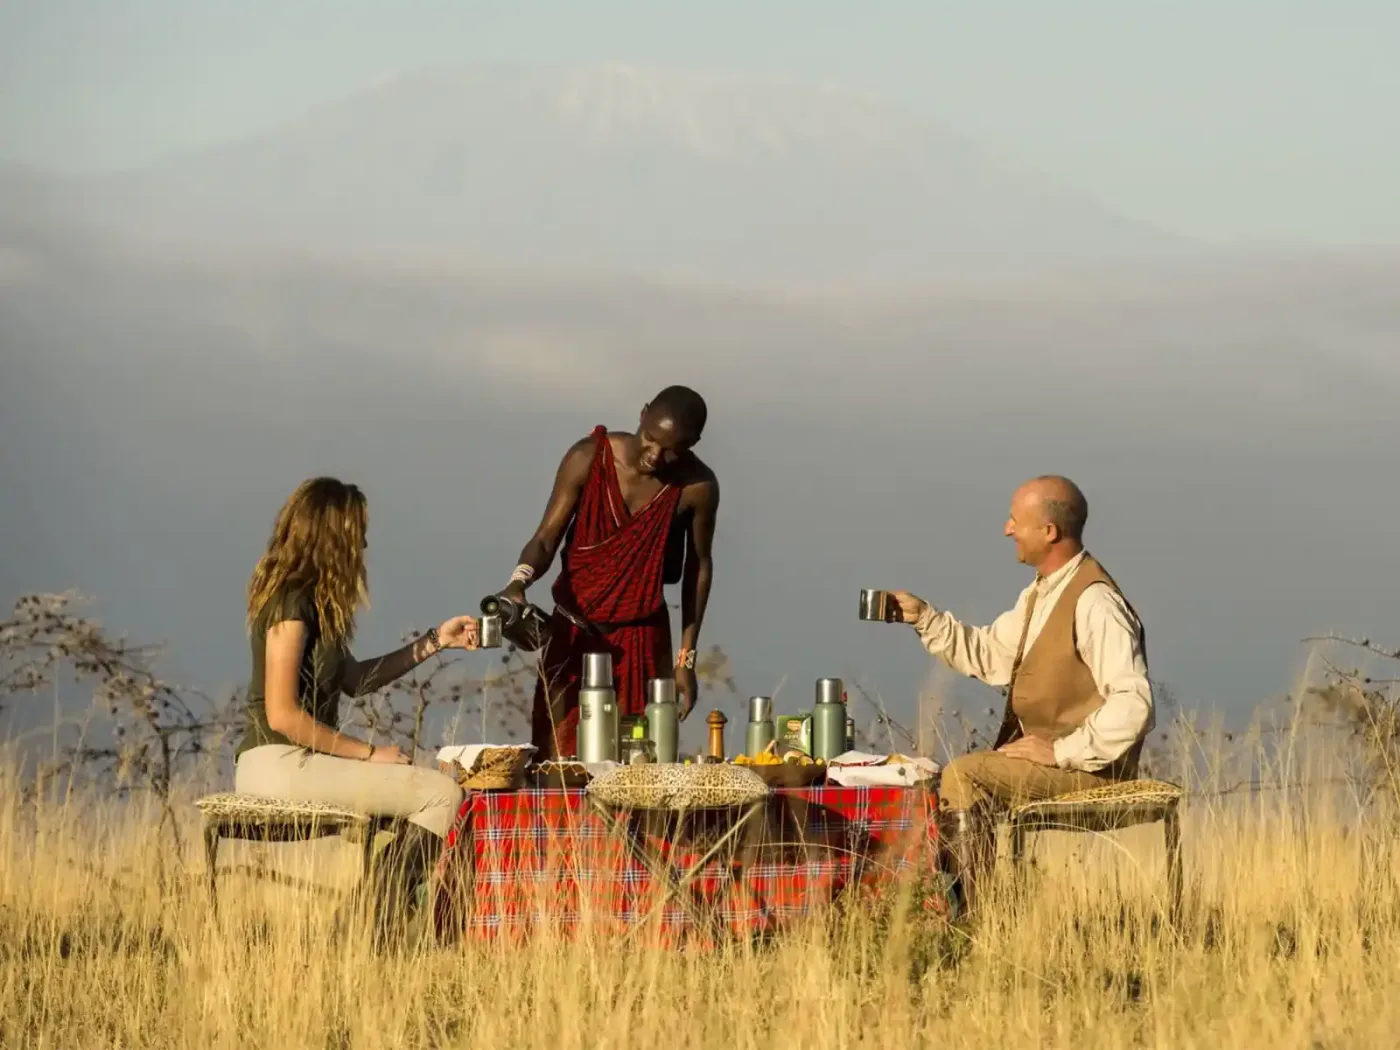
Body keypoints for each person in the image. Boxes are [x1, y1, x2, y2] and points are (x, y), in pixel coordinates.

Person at [886, 475, 1152, 914]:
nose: (1007, 530)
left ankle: (973, 922)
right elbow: (991, 654)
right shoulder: (1043, 593)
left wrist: (1062, 751)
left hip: (1094, 770)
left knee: (966, 776)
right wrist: (925, 618)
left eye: (1015, 520)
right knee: (936, 778)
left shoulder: (1095, 602)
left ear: (1049, 532)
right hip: (1062, 761)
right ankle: (964, 910)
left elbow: (1133, 701)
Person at [234, 476, 481, 941]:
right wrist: (369, 754)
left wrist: (434, 642)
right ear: (335, 535)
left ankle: (368, 923)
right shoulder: (290, 603)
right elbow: (282, 715)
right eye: (358, 531)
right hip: (276, 761)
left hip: (299, 761)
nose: (365, 543)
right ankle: (367, 928)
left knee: (438, 793)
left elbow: (355, 681)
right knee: (442, 796)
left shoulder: (318, 605)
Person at [499, 386, 720, 759]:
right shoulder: (589, 457)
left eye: (671, 449)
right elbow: (545, 538)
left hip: (642, 639)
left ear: (693, 443)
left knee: (641, 764)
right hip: (572, 632)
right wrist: (518, 583)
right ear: (642, 413)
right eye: (650, 439)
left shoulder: (696, 488)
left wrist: (686, 660)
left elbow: (698, 568)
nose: (655, 455)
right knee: (558, 765)